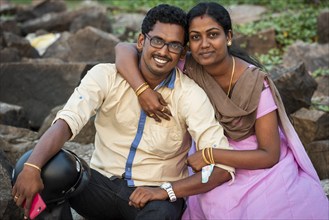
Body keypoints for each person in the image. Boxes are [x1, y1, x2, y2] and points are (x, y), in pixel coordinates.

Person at [11, 4, 235, 220]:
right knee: (42, 168)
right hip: (99, 186)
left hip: (152, 196)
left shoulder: (190, 95)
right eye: (157, 41)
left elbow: (223, 168)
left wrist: (167, 191)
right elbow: (67, 121)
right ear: (141, 41)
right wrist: (33, 167)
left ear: (182, 52)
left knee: (161, 213)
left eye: (174, 45)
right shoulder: (106, 75)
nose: (164, 51)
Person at [115, 2, 329, 219]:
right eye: (196, 37)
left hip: (255, 162)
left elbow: (269, 155)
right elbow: (123, 48)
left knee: (269, 207)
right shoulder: (186, 65)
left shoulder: (255, 83)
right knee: (216, 200)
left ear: (228, 37)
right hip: (213, 155)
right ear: (187, 46)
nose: (204, 44)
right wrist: (142, 90)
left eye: (213, 34)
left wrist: (209, 155)